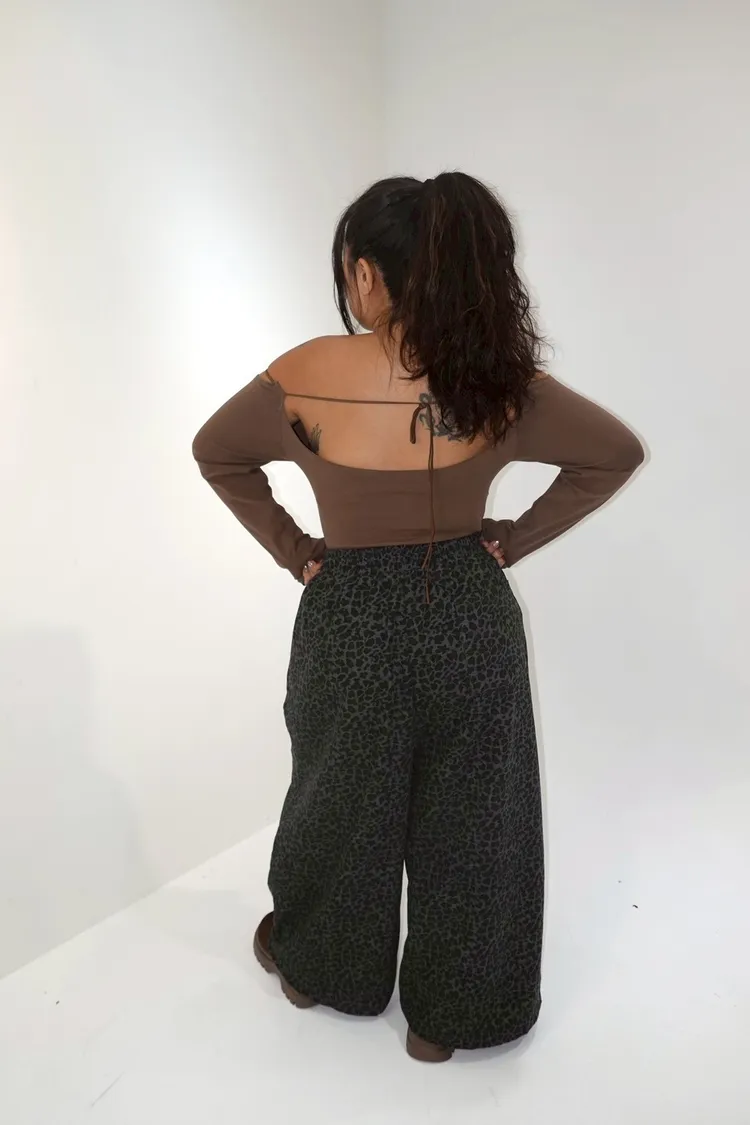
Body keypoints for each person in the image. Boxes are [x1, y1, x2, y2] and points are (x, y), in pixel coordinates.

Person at [192, 171, 644, 1063]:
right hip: (470, 618)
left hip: (351, 617)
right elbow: (614, 454)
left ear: (366, 273)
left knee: (338, 801)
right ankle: (451, 1020)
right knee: (477, 817)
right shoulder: (496, 381)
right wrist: (512, 538)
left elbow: (216, 453)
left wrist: (296, 550)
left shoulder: (306, 371)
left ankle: (320, 971)